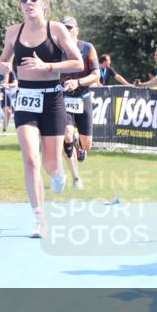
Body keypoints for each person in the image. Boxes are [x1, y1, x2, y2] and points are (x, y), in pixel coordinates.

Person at [0, 0, 83, 238]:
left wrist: (48, 67)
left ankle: (58, 173)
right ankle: (40, 219)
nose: (28, 4)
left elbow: (77, 63)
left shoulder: (56, 29)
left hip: (52, 99)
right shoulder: (13, 32)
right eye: (24, 0)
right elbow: (3, 61)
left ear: (44, 3)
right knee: (31, 159)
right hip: (25, 99)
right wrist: (5, 68)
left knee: (51, 162)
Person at [60, 16, 100, 189]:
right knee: (66, 134)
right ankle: (76, 178)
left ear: (77, 30)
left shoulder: (87, 48)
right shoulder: (57, 50)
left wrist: (78, 82)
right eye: (64, 28)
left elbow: (96, 75)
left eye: (70, 28)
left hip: (83, 97)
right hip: (64, 98)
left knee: (87, 144)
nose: (67, 31)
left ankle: (79, 144)